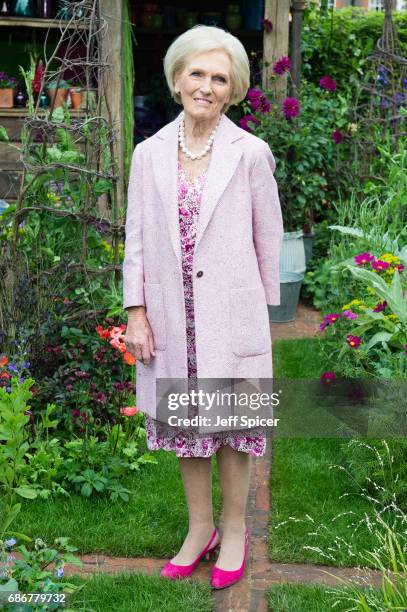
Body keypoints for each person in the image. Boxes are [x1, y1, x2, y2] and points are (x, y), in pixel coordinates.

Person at [123, 24, 284, 590]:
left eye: (220, 78)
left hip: (229, 314)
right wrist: (135, 310)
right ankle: (199, 531)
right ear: (176, 78)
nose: (207, 86)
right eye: (198, 73)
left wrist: (257, 321)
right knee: (186, 424)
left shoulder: (250, 153)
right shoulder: (149, 155)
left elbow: (270, 239)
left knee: (232, 425)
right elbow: (136, 238)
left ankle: (235, 529)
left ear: (234, 88)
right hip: (172, 317)